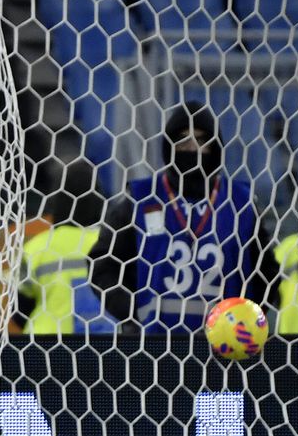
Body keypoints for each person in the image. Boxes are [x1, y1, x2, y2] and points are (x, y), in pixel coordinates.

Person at [89, 101, 278, 332]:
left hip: (225, 347)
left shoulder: (241, 203)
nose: (192, 149)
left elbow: (267, 272)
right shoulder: (141, 199)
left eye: (201, 141)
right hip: (151, 347)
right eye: (183, 140)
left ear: (215, 147)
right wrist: (132, 312)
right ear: (169, 146)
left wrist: (247, 320)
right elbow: (102, 265)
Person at [11, 159, 111, 335]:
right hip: (105, 344)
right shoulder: (109, 243)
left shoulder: (36, 247)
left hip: (44, 346)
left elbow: (20, 312)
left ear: (56, 202)